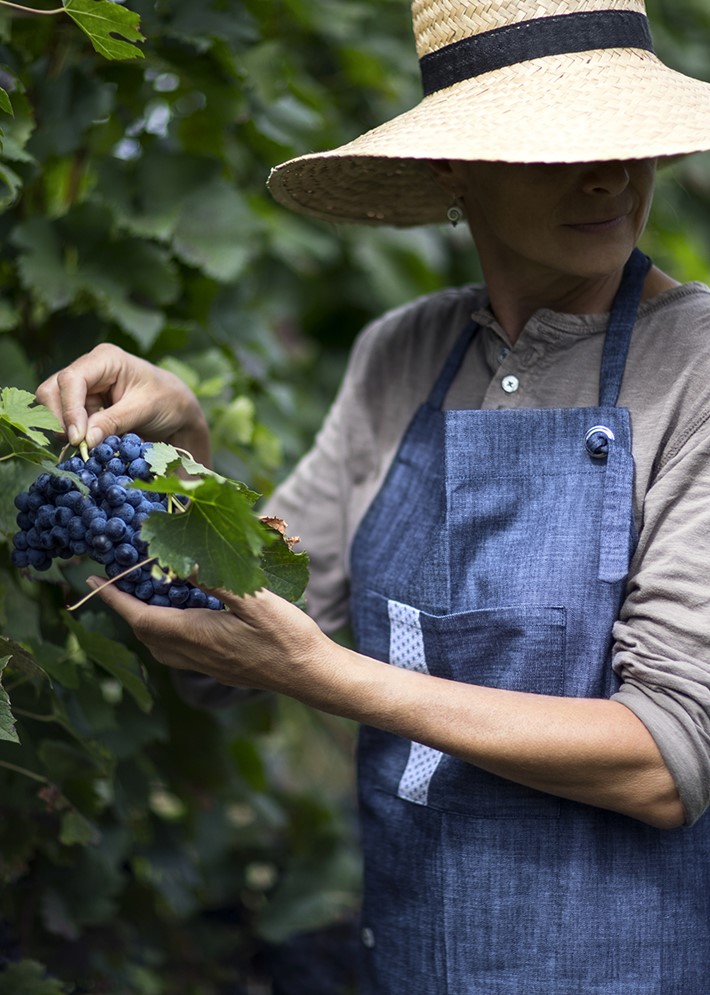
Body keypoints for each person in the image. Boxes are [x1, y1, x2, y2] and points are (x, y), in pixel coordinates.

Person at [35, 1, 710, 991]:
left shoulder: (692, 363)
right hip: (411, 959)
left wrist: (330, 678)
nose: (608, 171)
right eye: (556, 139)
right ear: (451, 165)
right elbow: (228, 657)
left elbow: (665, 759)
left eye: (626, 136)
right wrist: (180, 456)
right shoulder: (400, 355)